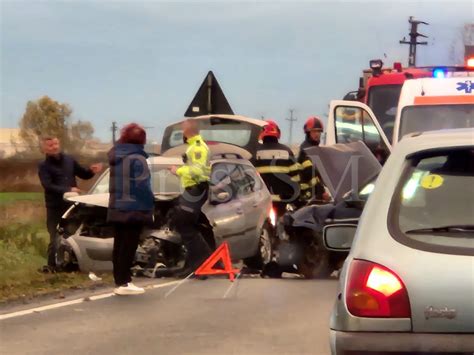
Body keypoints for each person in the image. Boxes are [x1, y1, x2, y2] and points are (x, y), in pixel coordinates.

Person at [156, 119, 212, 278]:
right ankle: (192, 265)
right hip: (192, 189)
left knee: (184, 223)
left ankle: (202, 262)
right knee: (187, 226)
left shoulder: (197, 148)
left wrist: (178, 170)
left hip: (196, 189)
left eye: (183, 130)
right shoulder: (194, 146)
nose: (182, 133)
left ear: (188, 131)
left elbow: (198, 172)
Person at [38, 137, 103, 273]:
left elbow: (83, 174)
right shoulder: (43, 166)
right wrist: (67, 189)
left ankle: (70, 264)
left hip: (71, 205)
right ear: (44, 149)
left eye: (56, 144)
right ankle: (52, 266)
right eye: (50, 146)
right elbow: (48, 185)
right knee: (55, 235)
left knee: (72, 234)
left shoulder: (69, 160)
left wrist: (92, 171)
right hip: (54, 206)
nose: (54, 147)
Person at [107, 123, 154, 295]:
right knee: (129, 245)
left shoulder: (116, 156)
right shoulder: (138, 158)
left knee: (119, 244)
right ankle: (125, 282)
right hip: (134, 207)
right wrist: (151, 203)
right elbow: (143, 186)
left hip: (117, 205)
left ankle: (119, 280)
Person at [252, 120, 300, 215]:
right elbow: (296, 178)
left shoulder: (254, 152)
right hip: (283, 201)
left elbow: (251, 178)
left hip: (261, 202)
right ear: (277, 133)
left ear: (261, 134)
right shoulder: (287, 151)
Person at [297, 116, 327, 203]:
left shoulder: (313, 148)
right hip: (308, 194)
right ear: (308, 133)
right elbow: (312, 174)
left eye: (319, 131)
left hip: (312, 192)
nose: (317, 134)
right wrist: (322, 192)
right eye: (314, 131)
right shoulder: (307, 150)